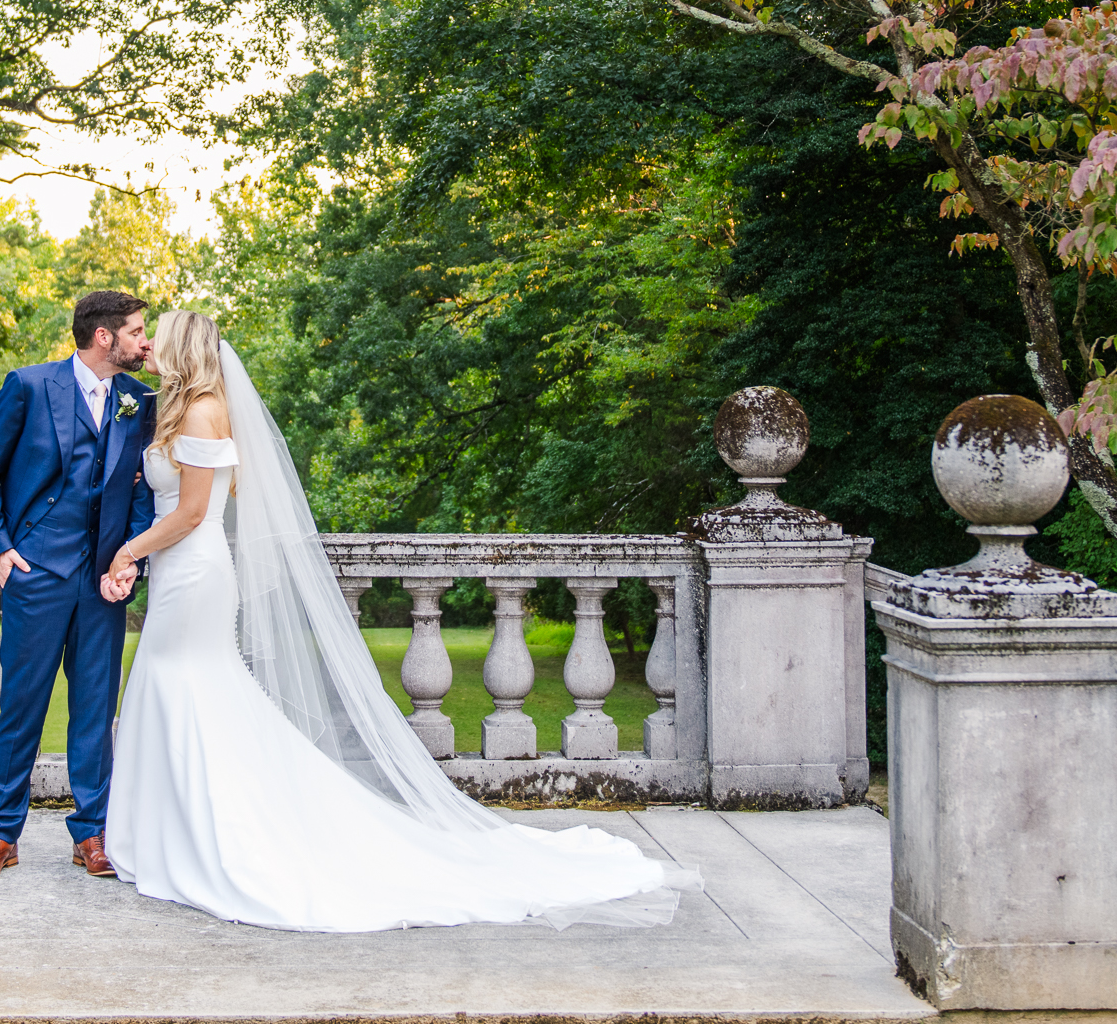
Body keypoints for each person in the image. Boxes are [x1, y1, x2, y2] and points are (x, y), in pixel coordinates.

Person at [96, 309, 692, 931]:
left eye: (159, 335)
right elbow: (223, 493)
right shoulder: (194, 407)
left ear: (183, 347)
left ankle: (202, 835)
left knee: (184, 684)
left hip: (192, 571)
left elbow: (194, 512)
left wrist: (127, 551)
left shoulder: (198, 410)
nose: (151, 344)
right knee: (191, 688)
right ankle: (184, 828)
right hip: (186, 573)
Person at [0, 290, 158, 882]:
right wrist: (0, 551)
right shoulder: (27, 386)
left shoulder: (138, 400)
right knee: (22, 706)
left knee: (95, 710)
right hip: (36, 573)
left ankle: (92, 834)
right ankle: (1, 835)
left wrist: (130, 562)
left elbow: (144, 490)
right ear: (104, 336)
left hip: (103, 583)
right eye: (137, 332)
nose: (144, 342)